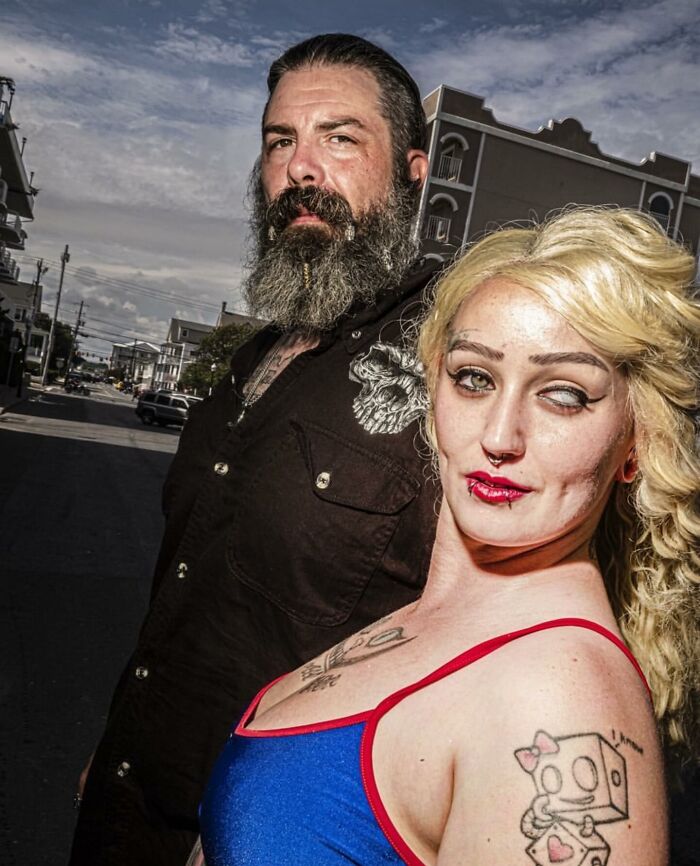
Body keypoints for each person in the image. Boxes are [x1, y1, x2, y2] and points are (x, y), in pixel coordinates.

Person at [193, 207, 699, 865]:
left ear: (637, 441)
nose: (498, 436)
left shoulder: (558, 701)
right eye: (474, 378)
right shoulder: (437, 620)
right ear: (434, 390)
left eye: (565, 395)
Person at [69, 34, 441, 865]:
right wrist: (122, 744)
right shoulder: (253, 357)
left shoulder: (460, 362)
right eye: (281, 141)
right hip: (129, 807)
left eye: (340, 138)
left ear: (414, 169)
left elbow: (476, 653)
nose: (301, 169)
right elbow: (186, 594)